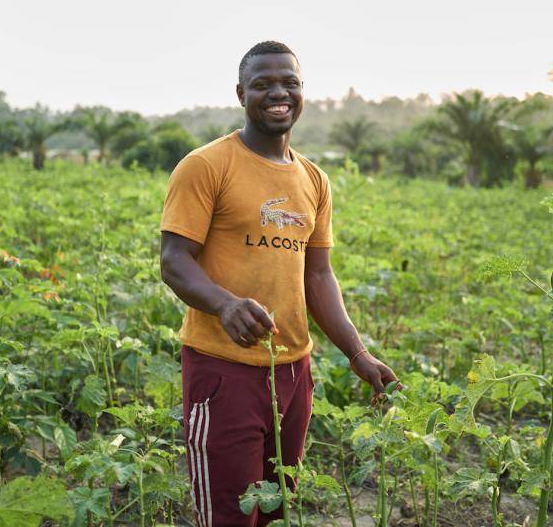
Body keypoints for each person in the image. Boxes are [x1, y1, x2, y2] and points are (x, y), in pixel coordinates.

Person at [159, 40, 398, 527]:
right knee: (231, 515)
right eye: (263, 84)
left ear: (302, 91)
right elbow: (174, 261)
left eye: (289, 82)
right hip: (224, 371)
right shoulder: (207, 166)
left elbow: (318, 274)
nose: (278, 93)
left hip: (293, 372)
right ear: (241, 93)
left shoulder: (313, 179)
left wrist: (358, 353)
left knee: (277, 509)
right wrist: (224, 306)